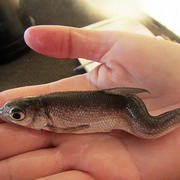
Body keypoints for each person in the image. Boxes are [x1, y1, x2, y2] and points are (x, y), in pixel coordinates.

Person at [1, 25, 180, 180]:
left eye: (17, 116)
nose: (15, 118)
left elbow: (74, 127)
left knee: (149, 129)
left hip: (126, 105)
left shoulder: (52, 120)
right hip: (125, 103)